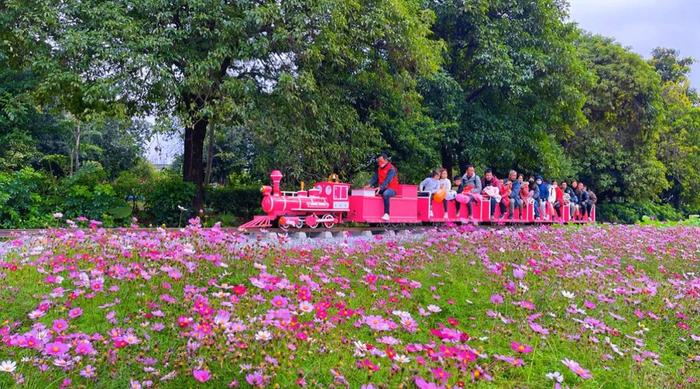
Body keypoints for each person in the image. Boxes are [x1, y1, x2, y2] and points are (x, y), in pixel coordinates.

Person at [365, 153, 399, 221]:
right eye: (378, 162)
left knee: (386, 194)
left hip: (392, 189)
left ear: (386, 160)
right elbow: (375, 178)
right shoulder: (379, 168)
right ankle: (371, 212)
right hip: (382, 187)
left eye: (381, 161)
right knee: (370, 192)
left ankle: (387, 214)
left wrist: (380, 187)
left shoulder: (391, 169)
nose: (379, 163)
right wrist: (369, 185)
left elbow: (387, 180)